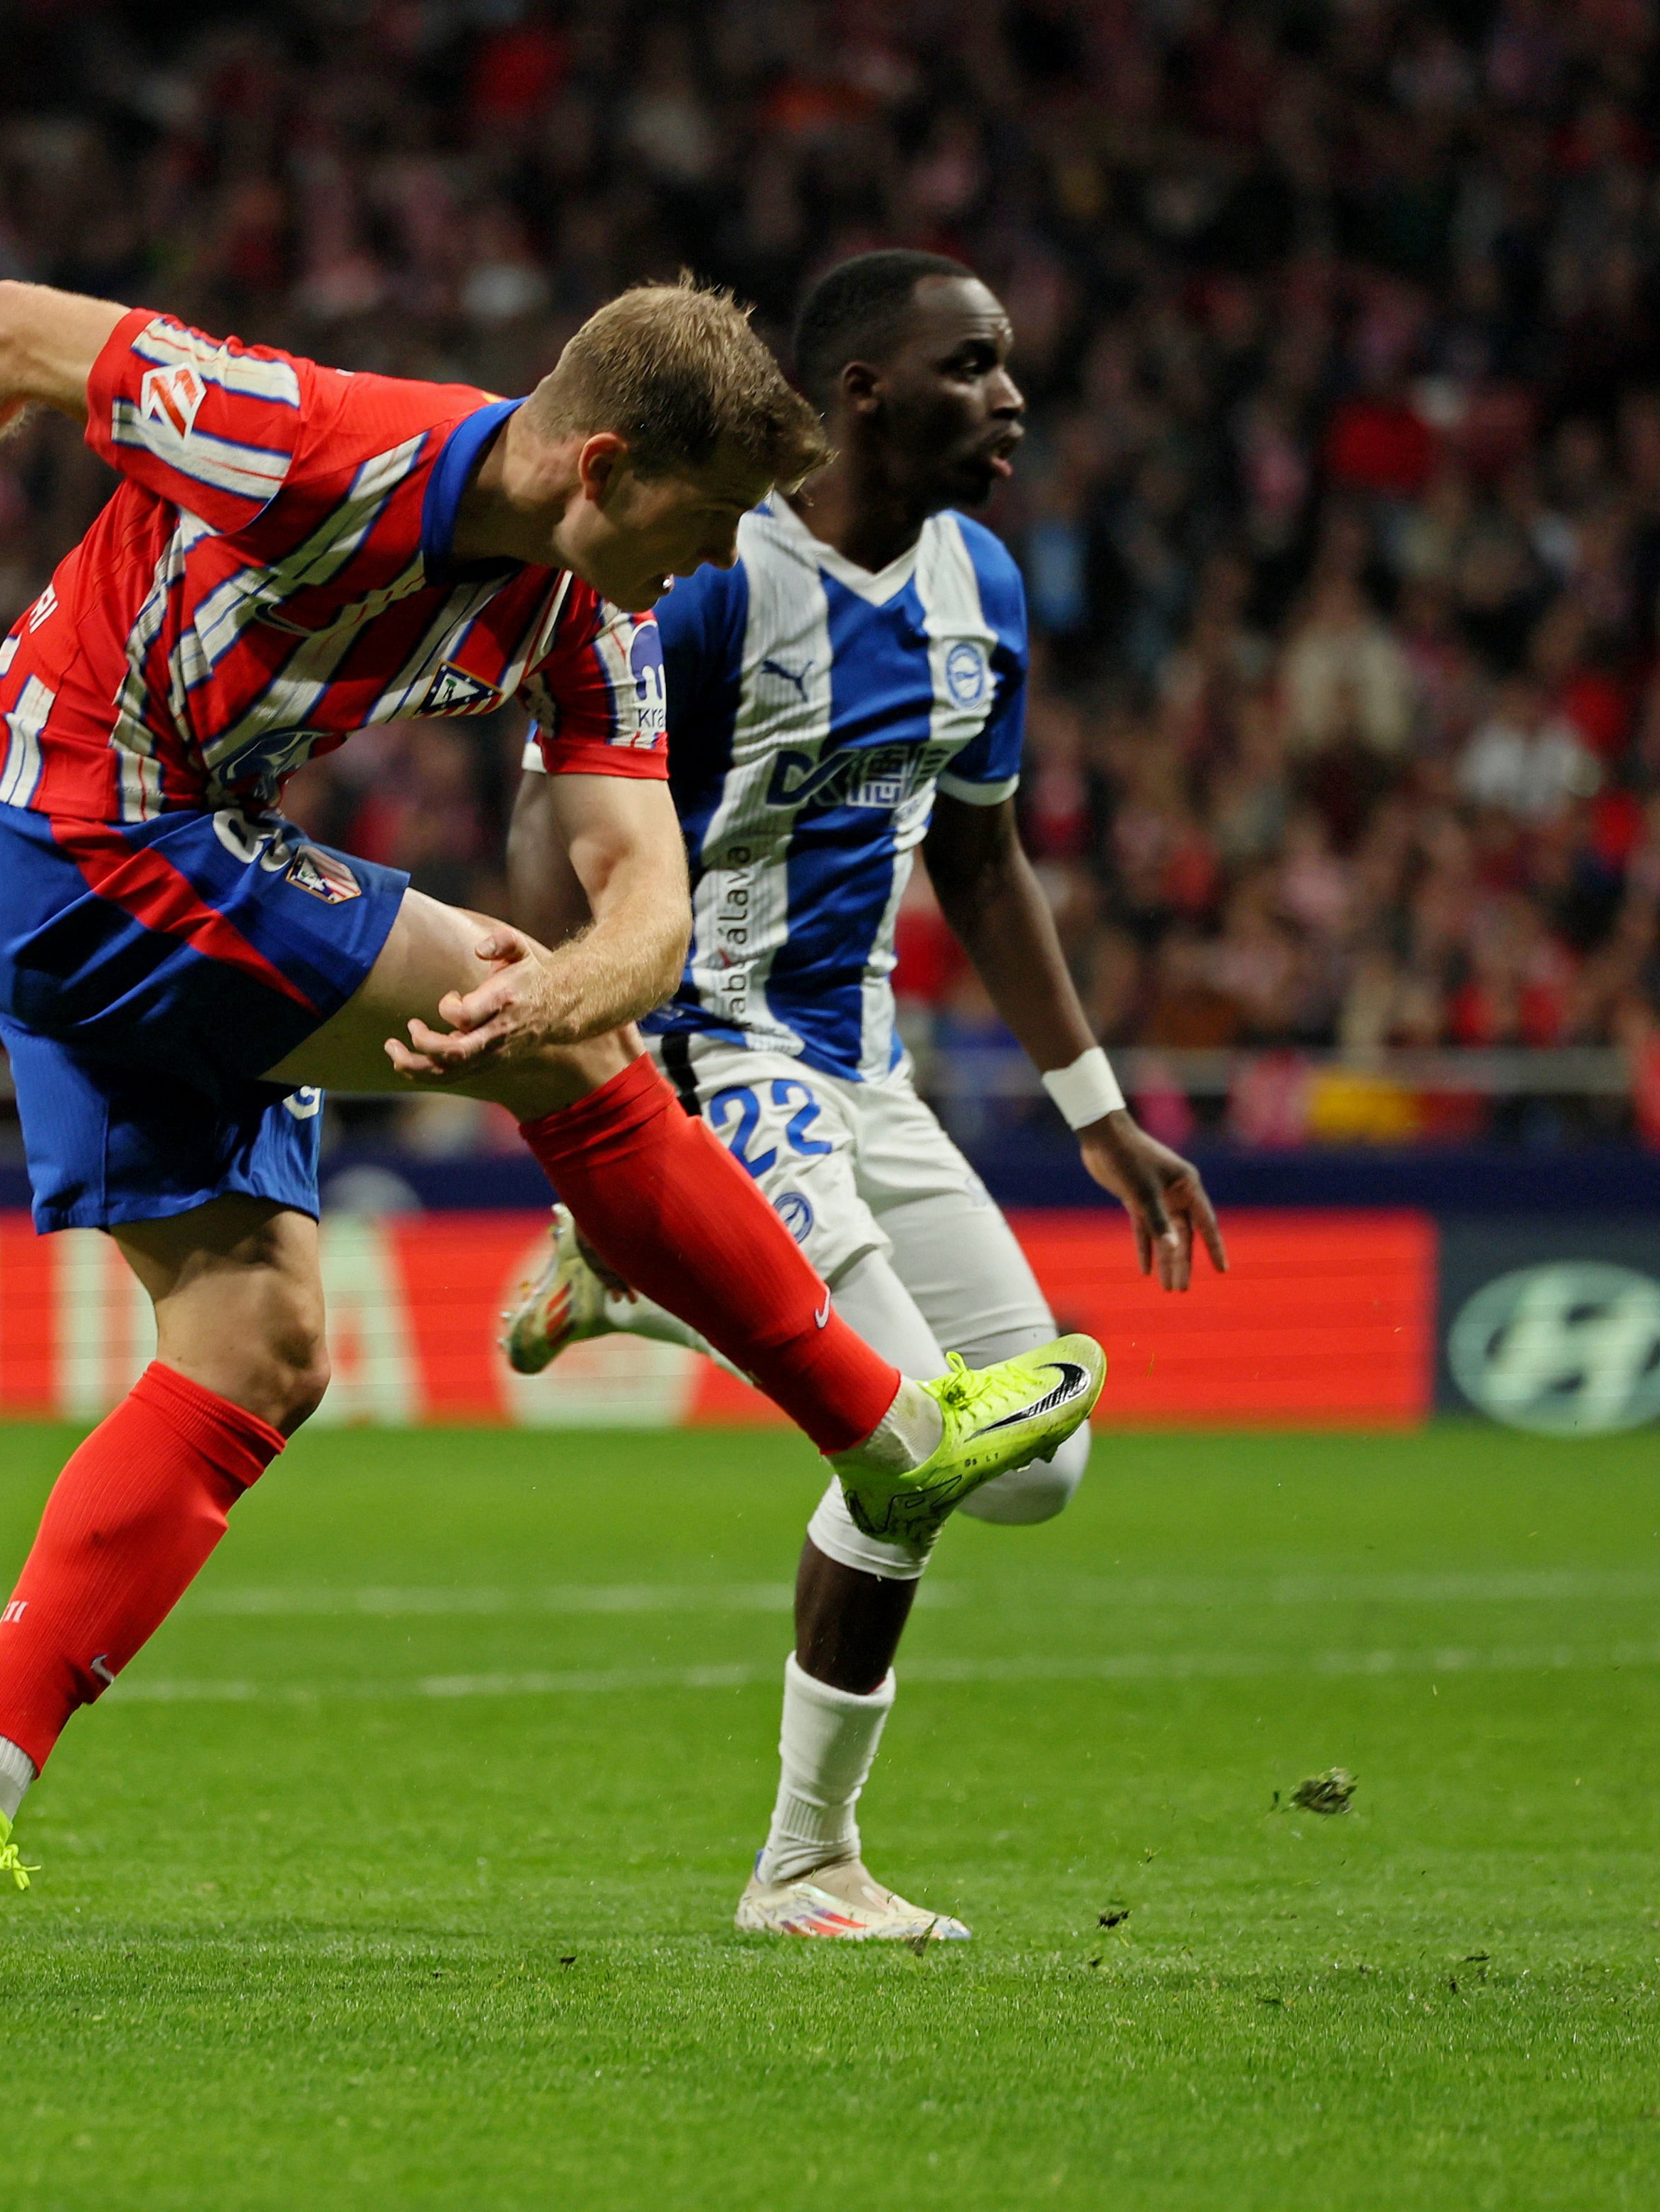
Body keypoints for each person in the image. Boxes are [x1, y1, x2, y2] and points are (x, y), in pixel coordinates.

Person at [0, 275, 1109, 2001]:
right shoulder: (301, 436)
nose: (719, 557)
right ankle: (886, 1428)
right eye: (707, 515)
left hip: (164, 851)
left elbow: (644, 903)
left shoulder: (594, 609)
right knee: (557, 1050)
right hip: (84, 835)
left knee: (261, 1346)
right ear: (602, 465)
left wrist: (579, 979)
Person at [499, 251, 1225, 1941]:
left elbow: (979, 853)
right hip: (716, 1053)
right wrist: (588, 1068)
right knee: (906, 1448)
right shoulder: (714, 584)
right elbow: (560, 837)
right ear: (862, 395)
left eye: (1011, 363)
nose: (1012, 397)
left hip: (863, 1074)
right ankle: (803, 1864)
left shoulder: (985, 585)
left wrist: (1096, 1109)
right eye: (973, 365)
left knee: (1036, 1466)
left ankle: (652, 1287)